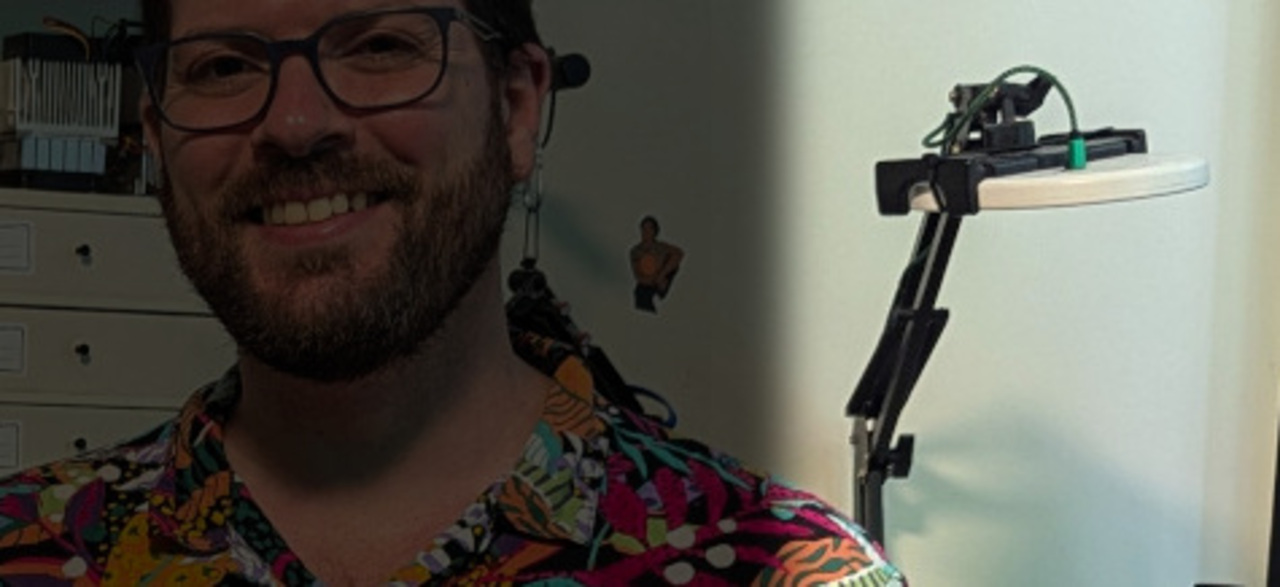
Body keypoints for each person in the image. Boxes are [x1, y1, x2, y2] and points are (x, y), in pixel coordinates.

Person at [0, 1, 906, 584]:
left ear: (516, 109)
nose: (296, 124)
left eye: (383, 47)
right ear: (156, 138)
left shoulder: (775, 567)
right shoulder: (31, 548)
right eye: (224, 67)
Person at [630, 215, 684, 313]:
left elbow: (678, 254)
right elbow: (638, 276)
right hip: (646, 286)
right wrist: (655, 280)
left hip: (660, 280)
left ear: (654, 231)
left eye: (649, 229)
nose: (646, 232)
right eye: (644, 229)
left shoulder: (661, 247)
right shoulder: (636, 251)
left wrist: (662, 275)